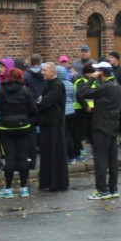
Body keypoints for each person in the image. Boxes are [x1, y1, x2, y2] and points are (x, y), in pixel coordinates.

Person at [0, 67, 37, 198]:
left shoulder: (2, 91)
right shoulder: (25, 91)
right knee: (22, 157)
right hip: (23, 127)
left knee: (9, 158)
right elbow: (33, 109)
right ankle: (24, 188)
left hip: (5, 128)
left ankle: (8, 189)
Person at [78, 61, 121, 200]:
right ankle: (113, 188)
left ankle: (102, 190)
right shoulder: (115, 85)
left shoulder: (106, 87)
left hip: (101, 126)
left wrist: (91, 79)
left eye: (96, 71)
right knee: (112, 159)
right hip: (112, 126)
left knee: (100, 159)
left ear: (101, 73)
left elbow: (83, 92)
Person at [36, 62, 69, 192]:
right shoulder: (49, 84)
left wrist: (39, 102)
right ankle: (47, 181)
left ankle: (56, 182)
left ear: (52, 72)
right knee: (47, 154)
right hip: (47, 123)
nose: (42, 72)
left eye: (44, 70)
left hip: (54, 124)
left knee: (54, 153)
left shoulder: (57, 85)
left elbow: (45, 102)